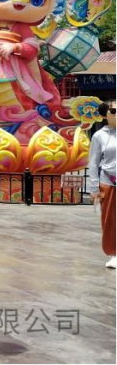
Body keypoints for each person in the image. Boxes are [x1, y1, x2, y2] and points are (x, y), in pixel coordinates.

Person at [89, 98, 117, 271]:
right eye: (114, 111)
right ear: (105, 115)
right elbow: (93, 163)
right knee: (111, 221)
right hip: (109, 183)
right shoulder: (100, 136)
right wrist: (94, 188)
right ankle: (114, 253)